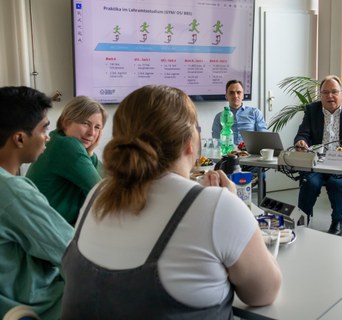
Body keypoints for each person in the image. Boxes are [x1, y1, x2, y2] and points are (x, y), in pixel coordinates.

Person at [61, 85, 282, 319]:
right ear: (191, 141)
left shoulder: (98, 193)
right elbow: (263, 294)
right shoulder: (217, 205)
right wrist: (232, 204)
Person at [0, 86, 73, 319]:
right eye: (44, 129)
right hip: (39, 305)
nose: (47, 137)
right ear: (20, 138)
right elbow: (73, 252)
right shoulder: (12, 191)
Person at [294, 75, 342, 236]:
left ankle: (338, 221)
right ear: (320, 95)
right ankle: (301, 218)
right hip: (317, 162)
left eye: (334, 92)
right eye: (325, 92)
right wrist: (301, 141)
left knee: (337, 183)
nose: (330, 96)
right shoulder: (312, 110)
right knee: (310, 182)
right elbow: (302, 134)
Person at [26, 96, 107, 225]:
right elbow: (103, 193)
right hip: (51, 232)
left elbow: (108, 182)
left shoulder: (58, 139)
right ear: (66, 123)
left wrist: (90, 152)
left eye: (97, 127)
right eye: (85, 123)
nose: (92, 133)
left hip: (53, 227)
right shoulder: (66, 145)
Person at [211, 79, 268, 145]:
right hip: (228, 153)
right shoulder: (219, 117)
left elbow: (264, 138)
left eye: (239, 92)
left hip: (250, 152)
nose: (235, 96)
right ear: (226, 96)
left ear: (243, 95)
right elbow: (216, 141)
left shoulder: (255, 113)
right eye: (231, 93)